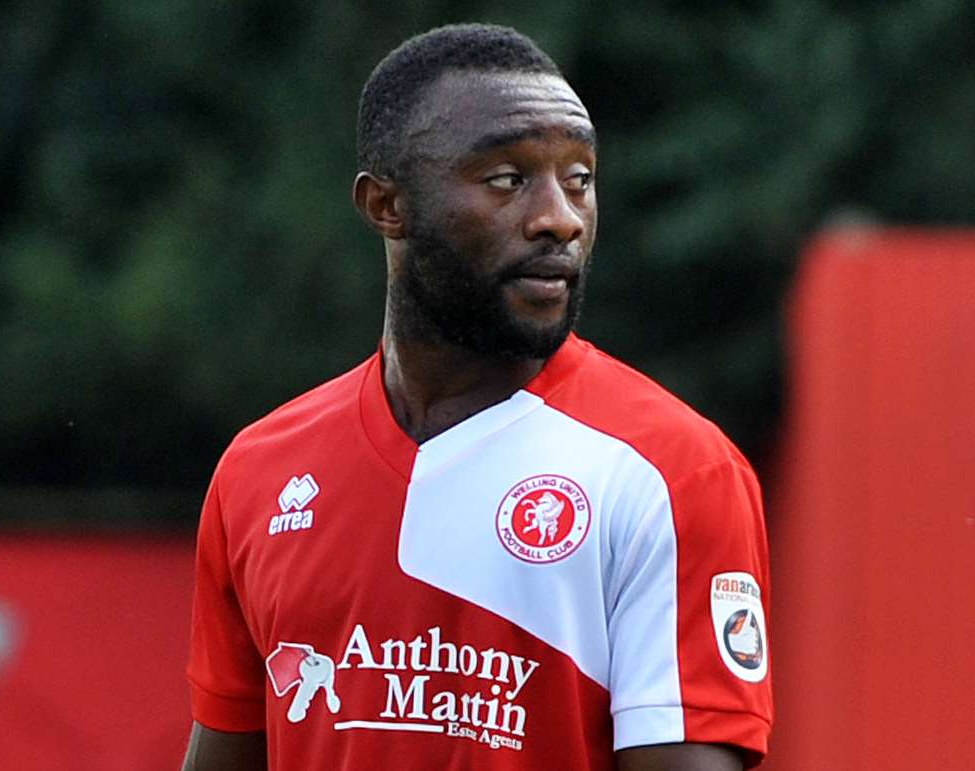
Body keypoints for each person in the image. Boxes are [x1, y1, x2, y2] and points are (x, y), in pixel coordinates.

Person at [182, 23, 772, 771]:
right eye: (507, 179)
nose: (559, 216)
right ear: (385, 204)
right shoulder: (260, 472)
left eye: (580, 179)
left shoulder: (674, 473)